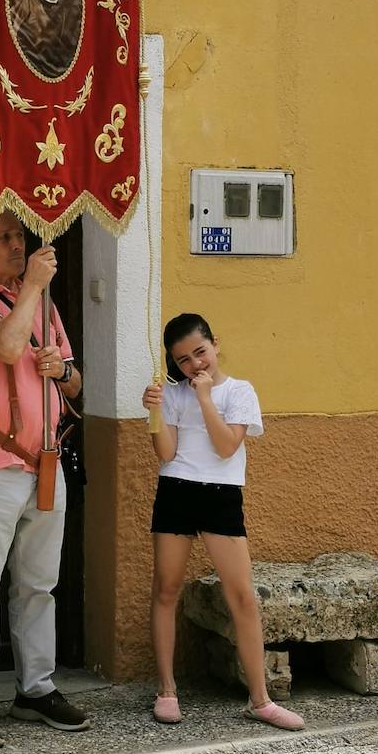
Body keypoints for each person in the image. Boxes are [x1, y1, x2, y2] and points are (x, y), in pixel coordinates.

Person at [0, 211, 88, 749]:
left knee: (39, 584)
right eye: (4, 236)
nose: (17, 244)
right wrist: (31, 289)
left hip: (45, 461)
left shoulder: (42, 302)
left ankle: (36, 687)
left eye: (20, 236)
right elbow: (6, 345)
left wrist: (62, 370)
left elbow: (77, 385)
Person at [141, 313, 305, 730]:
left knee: (243, 597)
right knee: (166, 589)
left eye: (200, 352)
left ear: (215, 343)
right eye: (183, 360)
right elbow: (166, 453)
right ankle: (166, 690)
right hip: (176, 489)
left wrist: (205, 398)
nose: (195, 364)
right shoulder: (174, 395)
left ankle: (260, 699)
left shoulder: (239, 391)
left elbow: (227, 445)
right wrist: (154, 414)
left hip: (220, 495)